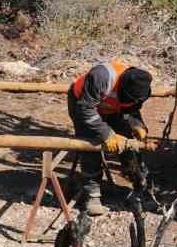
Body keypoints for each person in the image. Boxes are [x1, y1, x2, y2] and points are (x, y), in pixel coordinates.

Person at [66, 60, 153, 215]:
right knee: (91, 145)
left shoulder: (139, 88)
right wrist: (107, 135)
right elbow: (85, 109)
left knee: (129, 144)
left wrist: (137, 124)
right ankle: (91, 195)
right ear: (121, 88)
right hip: (82, 104)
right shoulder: (101, 77)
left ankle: (141, 187)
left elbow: (131, 110)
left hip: (111, 107)